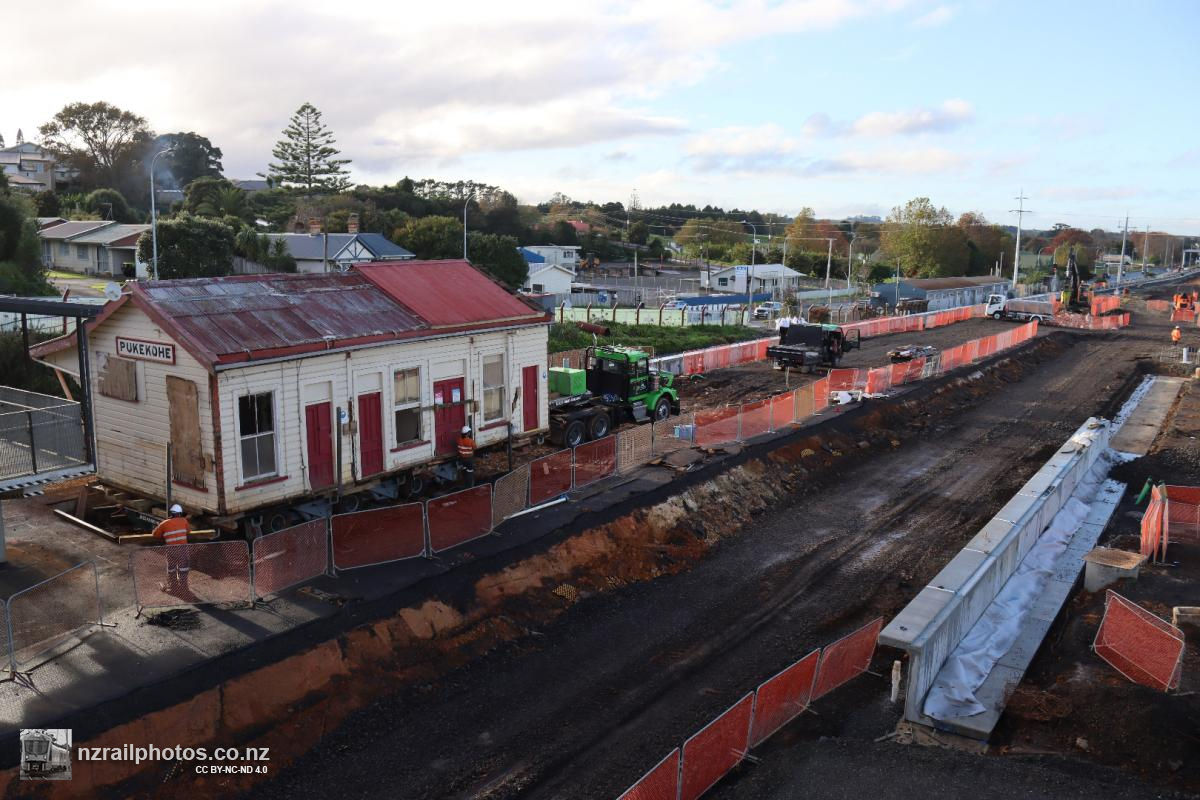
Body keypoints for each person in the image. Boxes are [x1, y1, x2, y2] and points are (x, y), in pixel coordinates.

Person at [152, 504, 192, 595]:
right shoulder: (184, 521)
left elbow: (155, 535)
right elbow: (188, 531)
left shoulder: (164, 523)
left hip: (171, 550)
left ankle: (173, 585)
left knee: (171, 568)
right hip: (182, 549)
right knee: (183, 568)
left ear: (171, 514)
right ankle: (184, 587)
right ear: (180, 514)